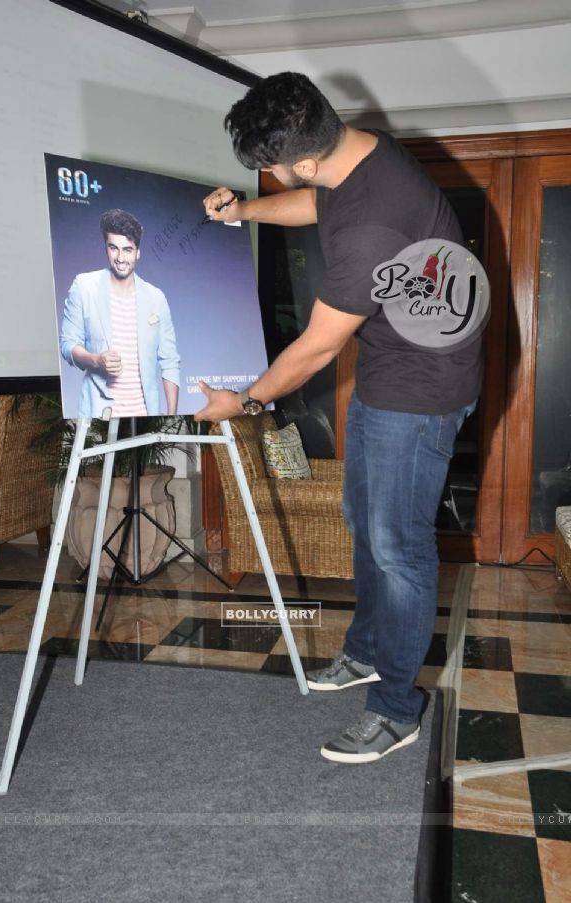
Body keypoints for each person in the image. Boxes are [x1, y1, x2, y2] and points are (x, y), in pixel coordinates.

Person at [195, 72, 483, 765]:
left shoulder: (373, 221)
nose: (266, 176)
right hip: (394, 360)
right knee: (364, 519)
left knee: (399, 546)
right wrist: (246, 214)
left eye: (268, 167)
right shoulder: (356, 155)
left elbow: (318, 347)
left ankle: (395, 709)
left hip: (425, 386)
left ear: (303, 156)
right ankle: (364, 653)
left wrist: (247, 401)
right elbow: (312, 204)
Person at [59, 208, 180, 418]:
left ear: (138, 252)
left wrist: (170, 417)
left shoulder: (156, 298)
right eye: (114, 248)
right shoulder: (84, 286)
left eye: (128, 249)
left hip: (146, 418)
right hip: (98, 415)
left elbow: (169, 361)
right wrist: (96, 360)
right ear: (106, 248)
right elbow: (68, 344)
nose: (121, 258)